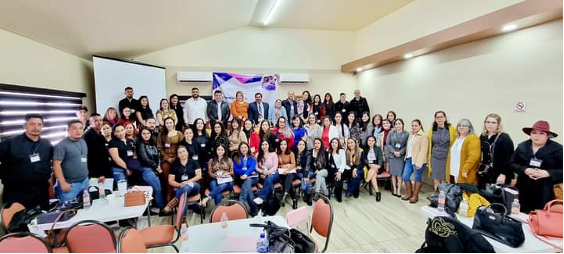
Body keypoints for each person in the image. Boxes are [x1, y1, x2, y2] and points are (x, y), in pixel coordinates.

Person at [0, 114, 53, 210]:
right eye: (32, 124)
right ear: (24, 126)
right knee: (19, 223)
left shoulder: (47, 144)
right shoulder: (10, 143)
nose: (36, 127)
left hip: (41, 192)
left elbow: (51, 163)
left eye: (39, 124)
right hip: (17, 194)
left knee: (43, 221)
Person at [510, 120, 563, 213]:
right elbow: (512, 163)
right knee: (521, 214)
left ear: (548, 135)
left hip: (546, 190)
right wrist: (525, 170)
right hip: (523, 189)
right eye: (534, 133)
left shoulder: (557, 149)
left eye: (541, 133)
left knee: (541, 216)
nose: (536, 136)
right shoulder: (522, 146)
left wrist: (548, 173)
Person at [53, 121, 90, 202]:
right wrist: (62, 183)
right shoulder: (62, 145)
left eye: (80, 128)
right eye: (74, 128)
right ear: (68, 130)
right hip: (70, 185)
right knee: (69, 212)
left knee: (86, 208)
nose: (78, 131)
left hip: (85, 182)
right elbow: (56, 165)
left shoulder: (83, 141)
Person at [479, 114, 515, 187]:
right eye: (488, 122)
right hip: (486, 172)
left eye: (493, 122)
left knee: (498, 196)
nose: (490, 124)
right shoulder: (483, 136)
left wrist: (503, 174)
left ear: (498, 124)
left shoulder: (504, 137)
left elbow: (510, 158)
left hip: (501, 173)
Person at [164, 146, 202, 215]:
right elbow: (170, 181)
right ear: (178, 155)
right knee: (183, 195)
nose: (182, 153)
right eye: (180, 152)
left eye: (184, 151)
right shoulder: (174, 165)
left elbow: (199, 176)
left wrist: (188, 182)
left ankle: (170, 206)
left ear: (187, 153)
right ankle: (184, 219)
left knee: (186, 187)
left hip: (194, 186)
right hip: (179, 187)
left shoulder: (194, 162)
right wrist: (180, 185)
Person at [137, 128, 165, 213]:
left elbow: (158, 156)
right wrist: (156, 166)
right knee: (158, 188)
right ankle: (161, 208)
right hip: (147, 169)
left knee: (160, 188)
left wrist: (159, 165)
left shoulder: (152, 144)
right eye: (144, 133)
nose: (146, 135)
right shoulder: (140, 144)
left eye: (148, 133)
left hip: (154, 168)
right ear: (141, 135)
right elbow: (144, 158)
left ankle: (158, 206)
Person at [427, 111, 457, 191]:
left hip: (446, 157)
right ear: (435, 119)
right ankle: (436, 198)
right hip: (435, 157)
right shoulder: (432, 130)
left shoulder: (451, 129)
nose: (440, 119)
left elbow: (455, 142)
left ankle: (443, 199)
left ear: (445, 118)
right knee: (436, 178)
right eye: (437, 117)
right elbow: (429, 144)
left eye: (441, 117)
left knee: (444, 179)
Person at [402, 120, 430, 204]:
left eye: (416, 125)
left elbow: (423, 150)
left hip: (418, 160)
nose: (414, 127)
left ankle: (415, 195)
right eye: (412, 125)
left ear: (420, 126)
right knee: (405, 177)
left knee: (418, 177)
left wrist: (419, 163)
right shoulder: (411, 134)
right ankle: (409, 193)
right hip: (409, 159)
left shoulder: (423, 135)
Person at [157, 118, 184, 201]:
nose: (169, 124)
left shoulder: (179, 133)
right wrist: (167, 158)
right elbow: (160, 148)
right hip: (166, 159)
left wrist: (176, 157)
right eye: (167, 123)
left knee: (178, 177)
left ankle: (178, 197)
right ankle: (168, 198)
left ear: (174, 123)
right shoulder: (161, 134)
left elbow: (181, 146)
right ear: (165, 124)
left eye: (170, 122)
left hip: (178, 158)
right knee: (167, 179)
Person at [447, 119, 481, 184]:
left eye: (464, 125)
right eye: (459, 125)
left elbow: (474, 156)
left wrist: (465, 169)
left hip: (464, 172)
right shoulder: (456, 138)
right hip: (454, 171)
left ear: (469, 128)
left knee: (465, 192)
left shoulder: (472, 138)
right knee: (456, 190)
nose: (461, 127)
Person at [84, 114, 112, 182]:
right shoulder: (89, 136)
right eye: (96, 120)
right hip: (97, 172)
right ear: (90, 123)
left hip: (104, 169)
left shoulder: (99, 135)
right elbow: (92, 157)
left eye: (100, 120)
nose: (99, 122)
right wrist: (100, 174)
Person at [233, 143, 259, 216]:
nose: (244, 149)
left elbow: (252, 168)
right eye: (242, 148)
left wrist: (246, 174)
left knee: (247, 181)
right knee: (248, 188)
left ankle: (241, 202)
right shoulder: (236, 158)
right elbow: (235, 169)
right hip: (241, 179)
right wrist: (245, 172)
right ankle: (254, 211)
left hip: (253, 178)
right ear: (239, 149)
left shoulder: (252, 157)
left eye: (245, 147)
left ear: (248, 148)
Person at [386, 119, 409, 197]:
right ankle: (394, 190)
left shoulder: (406, 133)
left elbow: (407, 145)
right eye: (396, 124)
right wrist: (393, 152)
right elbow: (388, 144)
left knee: (399, 174)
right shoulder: (391, 133)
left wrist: (400, 152)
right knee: (393, 174)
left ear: (402, 124)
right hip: (392, 156)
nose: (397, 125)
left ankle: (399, 190)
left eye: (399, 124)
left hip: (400, 156)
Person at [253, 140, 279, 205]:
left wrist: (267, 172)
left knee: (269, 178)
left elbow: (275, 167)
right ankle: (268, 204)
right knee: (269, 183)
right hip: (262, 174)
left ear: (269, 145)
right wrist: (262, 172)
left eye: (266, 144)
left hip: (273, 173)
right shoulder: (257, 154)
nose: (264, 146)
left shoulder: (273, 154)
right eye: (262, 145)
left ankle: (261, 197)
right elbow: (256, 167)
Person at [362, 136, 384, 202]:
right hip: (368, 165)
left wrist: (378, 166)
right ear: (367, 141)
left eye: (372, 141)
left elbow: (380, 158)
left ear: (374, 142)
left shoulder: (378, 148)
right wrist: (369, 165)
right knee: (373, 176)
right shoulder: (364, 149)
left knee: (373, 171)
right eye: (369, 140)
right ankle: (378, 192)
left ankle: (366, 181)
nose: (370, 142)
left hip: (377, 165)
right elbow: (364, 159)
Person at [277, 140, 298, 204]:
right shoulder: (277, 153)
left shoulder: (291, 153)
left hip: (291, 172)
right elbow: (277, 165)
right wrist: (284, 166)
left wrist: (287, 170)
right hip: (282, 173)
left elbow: (293, 164)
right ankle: (294, 199)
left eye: (284, 144)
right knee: (288, 182)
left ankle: (285, 195)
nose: (283, 146)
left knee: (289, 176)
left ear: (287, 145)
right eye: (281, 144)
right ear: (279, 145)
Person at [327, 138, 347, 203]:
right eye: (333, 142)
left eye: (336, 143)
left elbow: (343, 162)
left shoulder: (341, 151)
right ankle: (329, 192)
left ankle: (338, 194)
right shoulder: (328, 150)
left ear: (338, 144)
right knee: (330, 176)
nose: (334, 144)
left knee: (338, 178)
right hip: (330, 169)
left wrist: (340, 172)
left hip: (339, 168)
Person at [294, 140, 313, 205]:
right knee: (301, 176)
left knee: (305, 177)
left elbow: (307, 166)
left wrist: (305, 176)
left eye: (303, 145)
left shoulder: (308, 153)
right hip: (297, 171)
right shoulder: (294, 152)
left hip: (307, 171)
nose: (301, 146)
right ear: (297, 145)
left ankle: (305, 191)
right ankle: (308, 194)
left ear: (305, 146)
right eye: (300, 144)